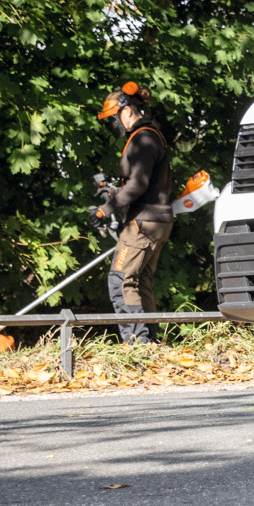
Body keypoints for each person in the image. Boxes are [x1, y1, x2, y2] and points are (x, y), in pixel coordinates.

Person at [94, 81, 175, 343]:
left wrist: (105, 209)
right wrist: (115, 193)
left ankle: (137, 344)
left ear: (126, 111)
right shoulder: (151, 136)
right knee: (141, 281)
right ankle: (149, 343)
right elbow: (143, 183)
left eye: (113, 119)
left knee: (120, 281)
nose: (112, 125)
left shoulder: (143, 138)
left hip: (142, 224)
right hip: (155, 221)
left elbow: (138, 185)